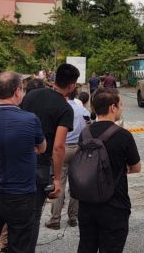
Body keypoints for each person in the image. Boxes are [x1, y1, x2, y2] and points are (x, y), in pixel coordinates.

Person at [0, 72, 46, 253]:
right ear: (17, 91)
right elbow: (42, 146)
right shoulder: (30, 119)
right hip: (21, 193)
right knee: (20, 245)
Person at [77, 88, 141, 252]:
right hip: (115, 205)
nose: (122, 108)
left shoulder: (85, 133)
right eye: (121, 104)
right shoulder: (123, 135)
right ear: (113, 107)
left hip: (87, 203)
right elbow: (136, 167)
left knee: (86, 247)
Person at [21, 63, 78, 241]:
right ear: (71, 86)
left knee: (15, 212)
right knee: (33, 216)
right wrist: (56, 179)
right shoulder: (64, 108)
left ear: (54, 79)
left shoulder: (31, 95)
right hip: (41, 164)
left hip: (20, 158)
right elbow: (59, 146)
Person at [46, 88, 91, 230]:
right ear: (76, 95)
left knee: (58, 182)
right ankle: (73, 217)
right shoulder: (83, 111)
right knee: (76, 184)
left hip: (62, 148)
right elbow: (88, 129)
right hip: (78, 149)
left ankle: (55, 219)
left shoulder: (58, 109)